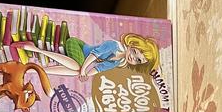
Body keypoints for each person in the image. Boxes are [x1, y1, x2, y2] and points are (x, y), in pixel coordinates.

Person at [15, 33, 159, 80]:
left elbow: (99, 68)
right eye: (135, 52)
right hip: (77, 46)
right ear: (132, 44)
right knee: (78, 67)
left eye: (138, 60)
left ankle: (37, 70)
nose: (133, 57)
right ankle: (35, 49)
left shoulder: (119, 62)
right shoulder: (113, 45)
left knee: (77, 71)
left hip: (81, 60)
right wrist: (84, 69)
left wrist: (86, 75)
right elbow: (93, 55)